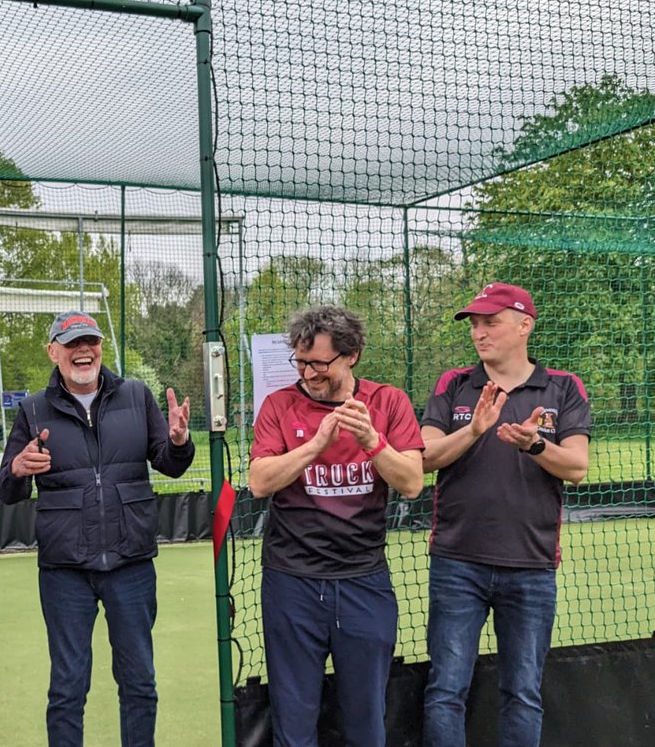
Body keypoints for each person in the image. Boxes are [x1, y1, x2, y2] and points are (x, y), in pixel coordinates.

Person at [0, 310, 193, 747]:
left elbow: (170, 463)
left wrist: (179, 441)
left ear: (101, 347)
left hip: (131, 563)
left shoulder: (136, 396)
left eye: (91, 341)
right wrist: (17, 468)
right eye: (72, 344)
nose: (83, 350)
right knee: (67, 689)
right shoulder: (33, 409)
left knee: (139, 683)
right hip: (65, 571)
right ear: (54, 352)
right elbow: (6, 490)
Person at [421, 283, 590, 747]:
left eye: (490, 322)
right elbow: (424, 457)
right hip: (456, 563)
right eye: (474, 324)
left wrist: (535, 444)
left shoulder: (563, 386)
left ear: (524, 326)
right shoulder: (454, 384)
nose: (479, 332)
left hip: (531, 566)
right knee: (445, 691)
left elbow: (577, 467)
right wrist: (474, 430)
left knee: (523, 693)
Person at [247, 305, 424, 747]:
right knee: (293, 718)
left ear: (352, 356)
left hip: (364, 580)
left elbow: (411, 483)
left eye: (320, 363)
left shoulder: (388, 402)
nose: (308, 373)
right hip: (292, 581)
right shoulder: (279, 405)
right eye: (301, 362)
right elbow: (259, 482)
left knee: (366, 718)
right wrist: (315, 445)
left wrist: (371, 441)